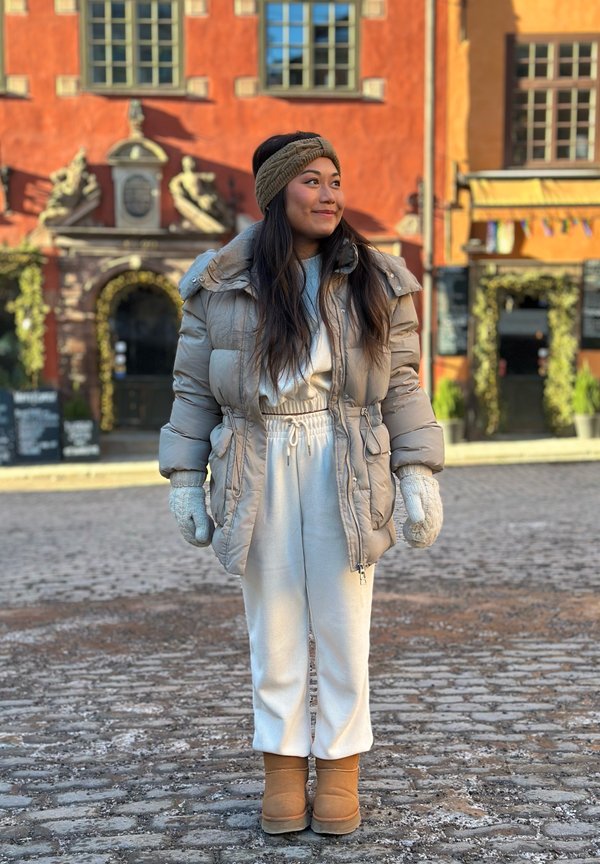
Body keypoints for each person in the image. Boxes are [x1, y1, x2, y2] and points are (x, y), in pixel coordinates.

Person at [159, 132, 444, 836]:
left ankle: (341, 769)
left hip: (344, 454)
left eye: (335, 180)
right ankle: (283, 770)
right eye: (311, 180)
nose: (329, 194)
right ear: (275, 193)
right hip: (258, 455)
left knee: (345, 624)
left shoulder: (379, 278)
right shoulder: (220, 283)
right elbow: (193, 386)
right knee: (275, 627)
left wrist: (416, 469)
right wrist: (185, 477)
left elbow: (402, 382)